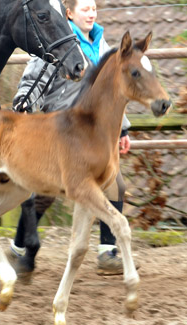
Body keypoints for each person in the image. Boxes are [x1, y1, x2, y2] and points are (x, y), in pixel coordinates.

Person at [8, 0, 136, 276]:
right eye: (85, 9)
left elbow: (116, 92)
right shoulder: (54, 42)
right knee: (44, 195)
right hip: (60, 131)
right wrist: (24, 101)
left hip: (92, 136)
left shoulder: (102, 47)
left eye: (94, 9)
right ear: (69, 13)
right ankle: (19, 247)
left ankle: (107, 252)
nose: (91, 14)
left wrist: (123, 129)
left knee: (117, 184)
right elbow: (34, 79)